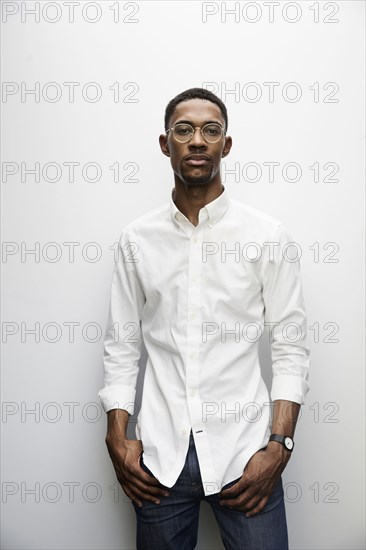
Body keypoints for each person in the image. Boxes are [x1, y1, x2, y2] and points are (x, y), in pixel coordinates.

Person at [98, 87, 310, 550]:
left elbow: (290, 348)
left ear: (226, 145)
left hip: (244, 455)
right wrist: (117, 439)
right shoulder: (136, 240)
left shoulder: (267, 237)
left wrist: (279, 446)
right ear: (165, 143)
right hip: (159, 460)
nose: (197, 140)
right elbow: (122, 344)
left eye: (210, 130)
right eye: (184, 129)